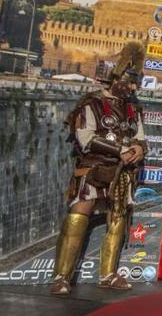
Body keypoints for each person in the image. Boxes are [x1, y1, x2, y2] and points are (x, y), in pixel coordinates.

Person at [50, 42, 148, 296]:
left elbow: (140, 137)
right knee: (79, 213)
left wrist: (138, 148)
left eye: (136, 82)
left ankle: (107, 274)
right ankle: (62, 276)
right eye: (131, 81)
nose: (134, 87)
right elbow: (86, 138)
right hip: (94, 167)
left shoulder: (133, 109)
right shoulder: (91, 104)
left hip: (122, 173)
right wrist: (119, 151)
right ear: (117, 78)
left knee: (117, 218)